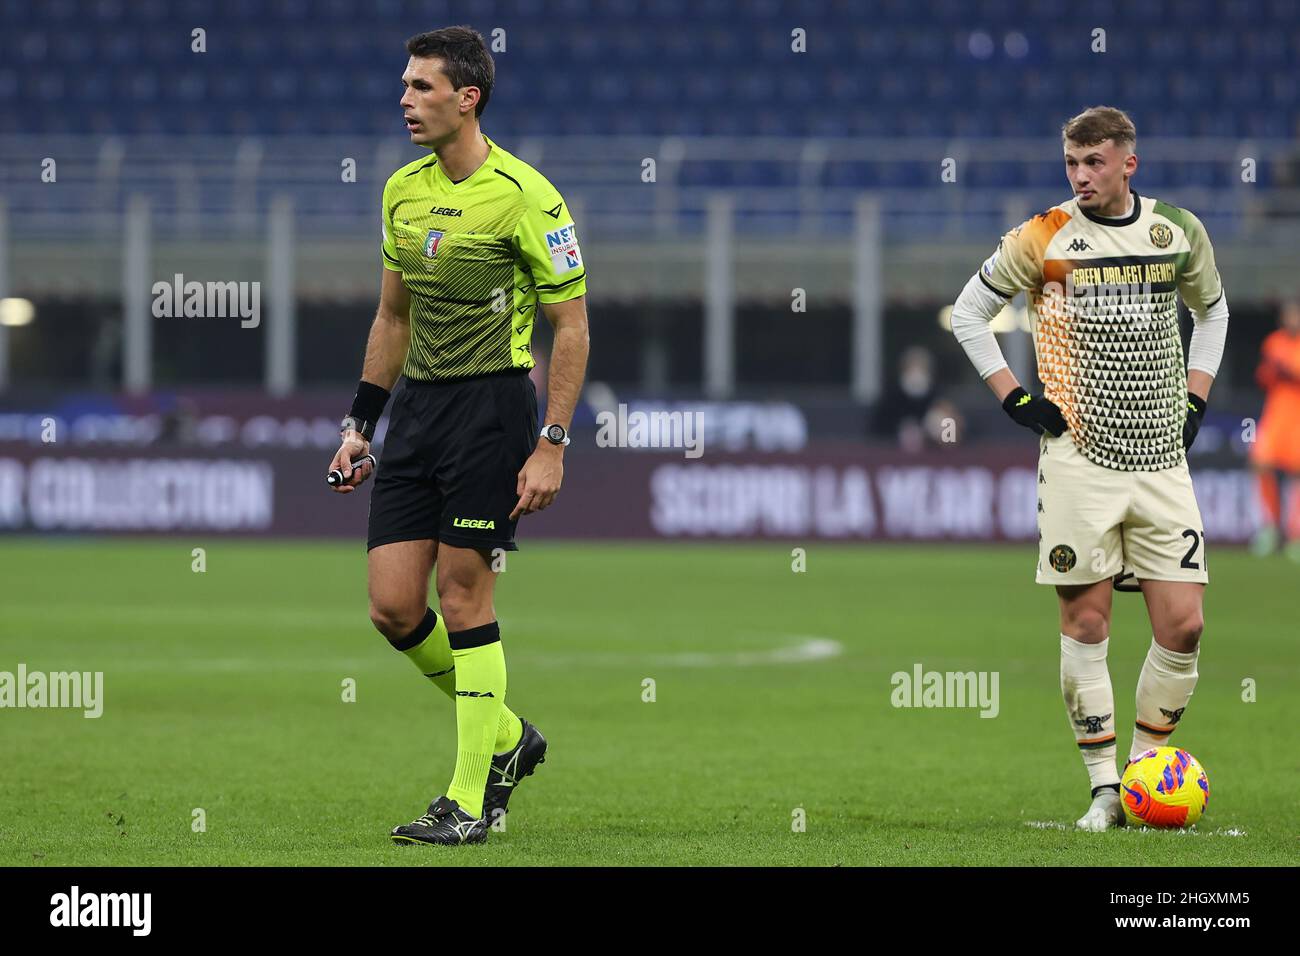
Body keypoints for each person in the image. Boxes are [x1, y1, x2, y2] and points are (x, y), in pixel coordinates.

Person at [327, 26, 590, 846]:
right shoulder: (401, 190)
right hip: (418, 414)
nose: (404, 100)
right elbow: (392, 315)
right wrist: (359, 424)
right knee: (392, 606)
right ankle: (510, 738)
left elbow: (572, 327)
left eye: (421, 87)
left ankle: (469, 802)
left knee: (465, 593)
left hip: (491, 409)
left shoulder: (527, 195)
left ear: (466, 98)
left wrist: (551, 441)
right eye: (405, 85)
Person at [947, 106, 1228, 831]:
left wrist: (1196, 398)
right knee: (1087, 618)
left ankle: (1144, 770)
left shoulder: (1177, 232)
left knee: (1185, 624)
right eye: (1072, 164)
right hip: (1078, 459)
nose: (1081, 177)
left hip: (1162, 457)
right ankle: (1107, 788)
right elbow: (969, 312)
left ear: (1127, 163)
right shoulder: (1042, 234)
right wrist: (1012, 396)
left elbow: (1214, 311)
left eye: (1094, 163)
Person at [1249, 301, 1300, 560]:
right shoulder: (1274, 342)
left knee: (1296, 474)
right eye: (1289, 314)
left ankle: (1295, 535)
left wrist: (1286, 370)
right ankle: (1269, 527)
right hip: (1275, 414)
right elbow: (1263, 375)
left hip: (1297, 417)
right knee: (1260, 463)